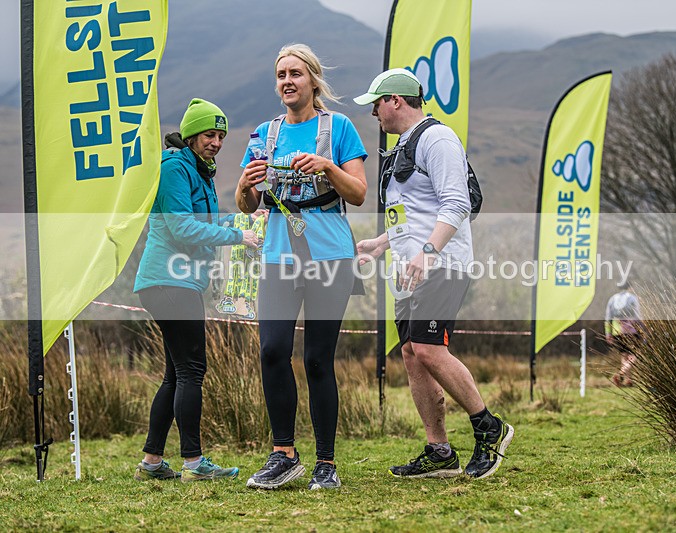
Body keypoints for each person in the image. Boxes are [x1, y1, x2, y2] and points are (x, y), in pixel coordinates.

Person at [353, 69, 514, 480]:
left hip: (441, 264)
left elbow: (456, 204)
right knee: (411, 354)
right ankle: (439, 450)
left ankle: (489, 428)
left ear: (395, 100)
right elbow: (413, 216)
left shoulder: (438, 139)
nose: (373, 112)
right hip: (409, 270)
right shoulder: (404, 145)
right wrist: (380, 243)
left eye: (377, 102)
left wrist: (427, 253)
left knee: (427, 349)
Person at [236, 44, 367, 490]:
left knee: (316, 360)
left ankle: (326, 464)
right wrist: (244, 187)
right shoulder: (263, 133)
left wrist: (327, 166)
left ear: (313, 80)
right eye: (280, 75)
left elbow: (359, 194)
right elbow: (247, 203)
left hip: (330, 253)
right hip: (277, 255)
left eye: (295, 73)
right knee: (272, 350)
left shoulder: (339, 127)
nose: (287, 81)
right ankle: (283, 453)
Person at [133, 98, 259, 482]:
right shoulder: (174, 167)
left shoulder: (199, 171)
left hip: (179, 282)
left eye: (221, 135)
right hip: (169, 280)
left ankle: (152, 462)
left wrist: (247, 219)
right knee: (192, 370)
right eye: (209, 134)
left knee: (176, 373)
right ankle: (193, 463)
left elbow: (205, 219)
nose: (217, 142)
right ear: (190, 135)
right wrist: (239, 236)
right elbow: (181, 228)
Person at [605, 281, 643, 387]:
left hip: (617, 330)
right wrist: (643, 328)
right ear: (629, 287)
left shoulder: (612, 299)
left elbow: (608, 318)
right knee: (635, 355)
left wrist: (608, 333)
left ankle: (628, 380)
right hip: (631, 330)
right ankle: (620, 374)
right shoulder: (632, 298)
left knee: (624, 355)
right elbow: (637, 315)